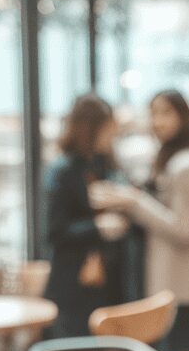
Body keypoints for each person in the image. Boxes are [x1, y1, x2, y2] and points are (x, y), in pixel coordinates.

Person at [90, 90, 189, 351]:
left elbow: (185, 230)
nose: (158, 121)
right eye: (154, 113)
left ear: (184, 116)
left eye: (166, 112)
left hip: (182, 287)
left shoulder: (188, 165)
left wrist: (134, 202)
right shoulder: (173, 159)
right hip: (173, 285)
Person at [44, 94, 130, 338]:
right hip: (76, 283)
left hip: (109, 280)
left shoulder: (106, 166)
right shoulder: (63, 171)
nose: (112, 135)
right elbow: (55, 232)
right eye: (107, 128)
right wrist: (98, 227)